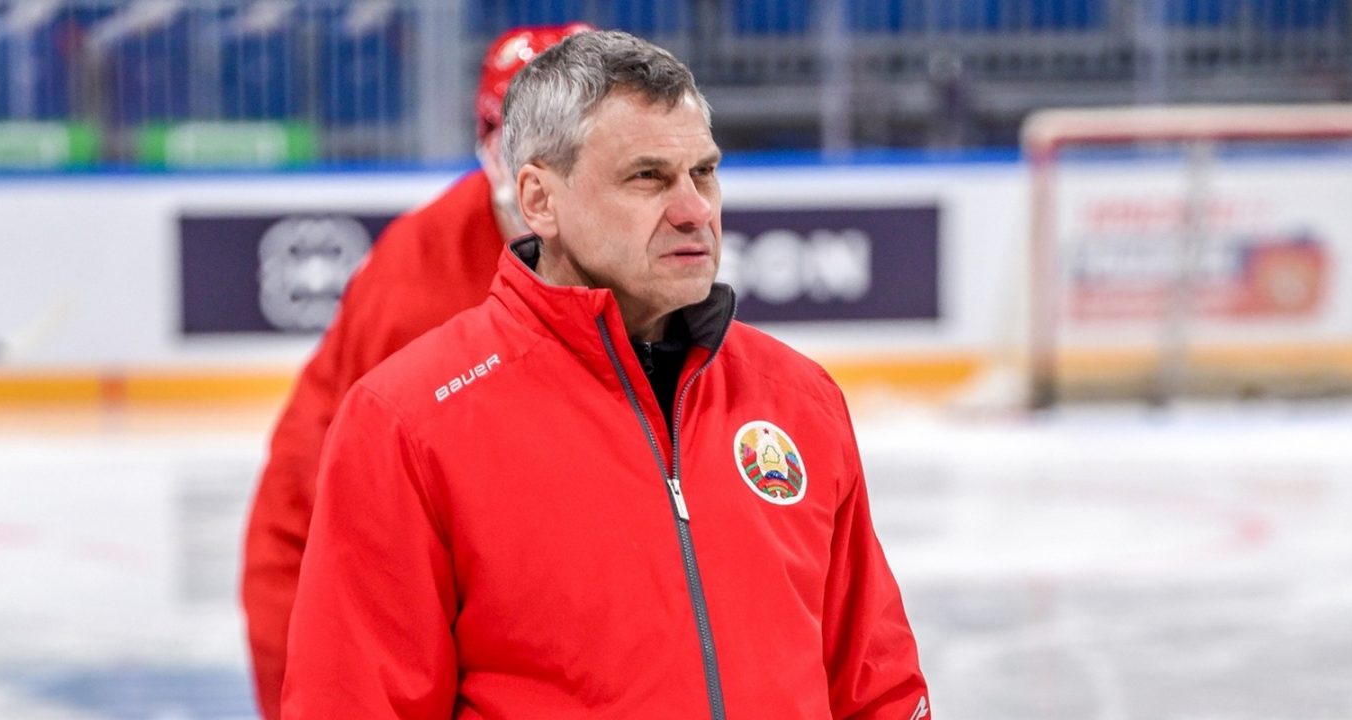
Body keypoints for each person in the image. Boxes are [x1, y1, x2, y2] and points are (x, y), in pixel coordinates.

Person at [282, 30, 930, 719]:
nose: (694, 210)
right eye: (647, 177)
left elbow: (877, 687)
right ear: (539, 200)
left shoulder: (798, 401)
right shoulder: (410, 422)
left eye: (704, 173)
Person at [238, 23, 591, 720]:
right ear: (491, 141)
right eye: (529, 138)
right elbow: (349, 539)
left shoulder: (632, 254)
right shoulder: (417, 292)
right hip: (347, 602)